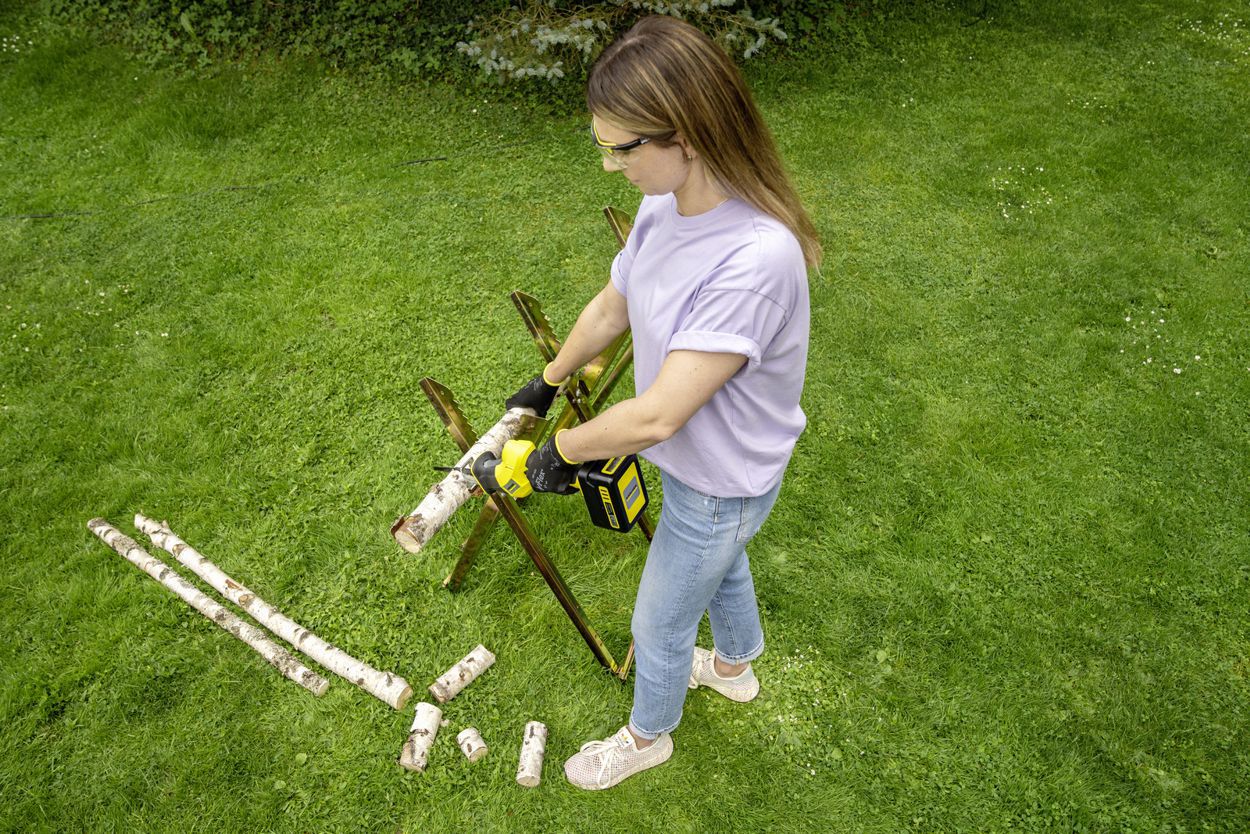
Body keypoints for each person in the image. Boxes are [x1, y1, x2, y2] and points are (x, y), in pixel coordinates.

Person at [505, 14, 822, 790]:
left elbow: (657, 415)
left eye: (621, 148)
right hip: (698, 466)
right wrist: (550, 380)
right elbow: (615, 304)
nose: (609, 164)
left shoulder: (754, 258)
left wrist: (560, 454)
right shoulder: (667, 202)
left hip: (722, 479)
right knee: (722, 563)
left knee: (659, 621)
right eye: (601, 144)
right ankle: (736, 669)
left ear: (685, 135)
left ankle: (648, 736)